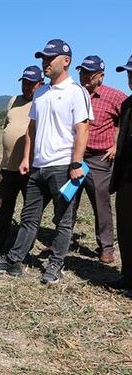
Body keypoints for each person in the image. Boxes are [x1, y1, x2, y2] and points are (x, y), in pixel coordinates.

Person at [0, 39, 93, 284]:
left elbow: (82, 129)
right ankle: (13, 262)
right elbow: (32, 128)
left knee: (63, 221)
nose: (44, 62)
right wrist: (25, 158)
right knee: (29, 217)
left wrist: (76, 164)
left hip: (63, 168)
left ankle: (55, 266)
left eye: (49, 58)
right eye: (43, 58)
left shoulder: (77, 92)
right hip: (37, 167)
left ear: (66, 61)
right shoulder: (41, 93)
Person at [0, 66, 44, 254]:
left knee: (30, 211)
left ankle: (24, 247)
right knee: (1, 206)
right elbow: (7, 126)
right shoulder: (13, 101)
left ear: (41, 83)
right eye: (24, 83)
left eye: (31, 84)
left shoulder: (45, 101)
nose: (27, 87)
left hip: (31, 167)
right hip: (7, 166)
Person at [73, 55, 126, 263]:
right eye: (82, 72)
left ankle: (106, 247)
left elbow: (127, 117)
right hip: (75, 157)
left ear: (101, 76)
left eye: (89, 73)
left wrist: (117, 144)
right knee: (68, 201)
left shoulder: (114, 97)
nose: (84, 76)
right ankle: (63, 239)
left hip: (99, 159)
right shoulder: (74, 94)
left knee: (101, 204)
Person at [108, 55, 132, 290]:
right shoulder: (127, 104)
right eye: (128, 73)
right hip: (126, 177)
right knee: (125, 228)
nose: (130, 77)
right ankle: (128, 274)